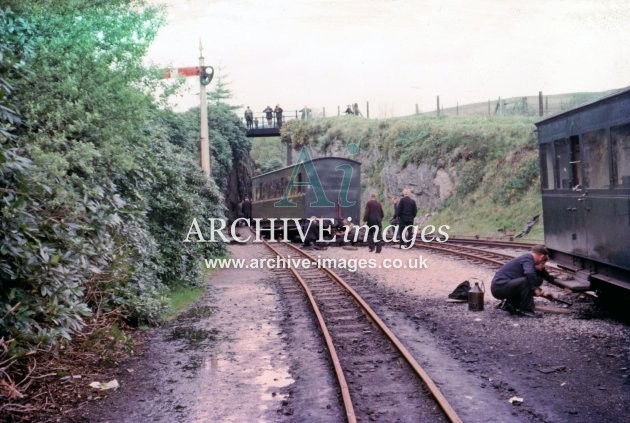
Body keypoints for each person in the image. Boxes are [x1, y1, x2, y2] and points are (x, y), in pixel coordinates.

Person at [491, 245, 556, 318]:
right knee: (526, 280)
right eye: (543, 260)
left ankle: (509, 306)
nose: (543, 264)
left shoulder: (527, 259)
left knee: (529, 280)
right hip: (499, 288)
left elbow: (546, 276)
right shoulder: (528, 258)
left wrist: (543, 291)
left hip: (501, 287)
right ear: (542, 256)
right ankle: (526, 310)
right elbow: (529, 273)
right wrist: (536, 288)